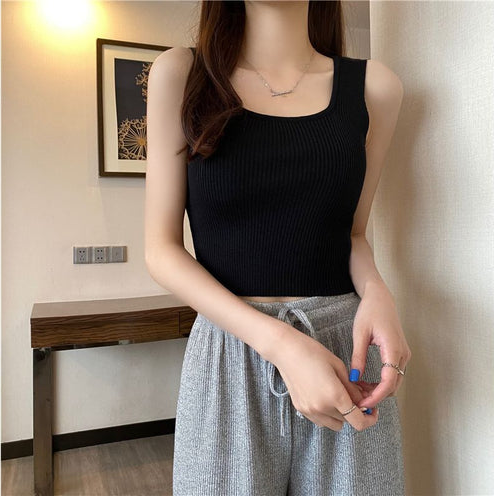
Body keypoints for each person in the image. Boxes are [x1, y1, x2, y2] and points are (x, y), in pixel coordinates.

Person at [144, 1, 411, 494]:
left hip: (345, 356)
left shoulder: (376, 88)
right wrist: (282, 344)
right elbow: (161, 250)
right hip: (230, 355)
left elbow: (352, 233)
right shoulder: (181, 75)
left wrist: (378, 293)